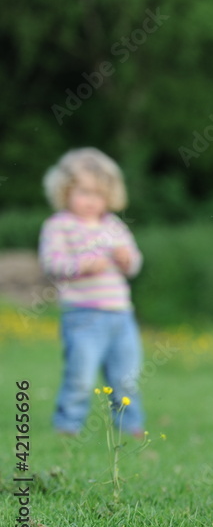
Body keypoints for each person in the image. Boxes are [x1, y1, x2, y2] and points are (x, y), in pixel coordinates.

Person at [40, 147, 146, 437]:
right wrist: (83, 265)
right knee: (81, 378)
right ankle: (67, 426)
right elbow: (52, 263)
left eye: (98, 194)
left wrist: (127, 260)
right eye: (83, 192)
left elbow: (135, 263)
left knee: (126, 377)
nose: (91, 201)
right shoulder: (59, 226)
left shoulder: (114, 226)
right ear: (65, 191)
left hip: (120, 315)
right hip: (82, 315)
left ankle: (130, 425)